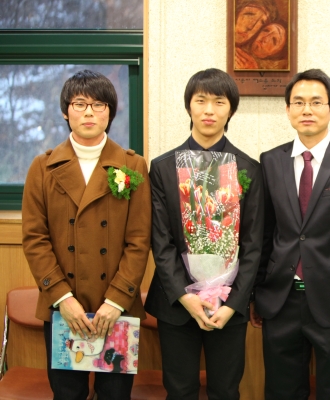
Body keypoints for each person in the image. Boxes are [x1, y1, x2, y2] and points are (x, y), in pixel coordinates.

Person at [250, 68, 330, 399]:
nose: (306, 109)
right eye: (298, 102)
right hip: (281, 300)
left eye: (316, 102)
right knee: (280, 392)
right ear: (288, 110)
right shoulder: (270, 161)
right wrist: (257, 295)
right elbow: (265, 234)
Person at [22, 69, 151, 400]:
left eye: (99, 105)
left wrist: (116, 300)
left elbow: (139, 241)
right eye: (79, 104)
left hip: (117, 309)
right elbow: (35, 239)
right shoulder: (42, 168)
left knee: (116, 396)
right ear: (66, 111)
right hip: (64, 308)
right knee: (67, 394)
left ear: (110, 111)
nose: (89, 112)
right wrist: (63, 299)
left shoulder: (132, 166)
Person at [144, 68, 263, 400]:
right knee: (179, 390)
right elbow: (161, 240)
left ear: (231, 109)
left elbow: (254, 244)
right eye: (201, 100)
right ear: (189, 106)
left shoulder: (248, 168)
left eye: (219, 102)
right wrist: (185, 296)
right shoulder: (163, 167)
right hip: (177, 305)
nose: (209, 110)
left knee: (226, 390)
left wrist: (234, 302)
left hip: (228, 305)